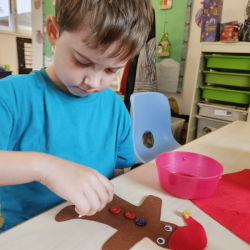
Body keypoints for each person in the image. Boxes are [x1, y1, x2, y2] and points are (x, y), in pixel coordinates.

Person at [0, 0, 152, 233]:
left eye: (111, 70)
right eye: (82, 61)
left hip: (93, 231)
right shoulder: (10, 96)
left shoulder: (114, 107)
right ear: (54, 31)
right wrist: (47, 168)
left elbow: (117, 176)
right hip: (27, 234)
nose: (93, 82)